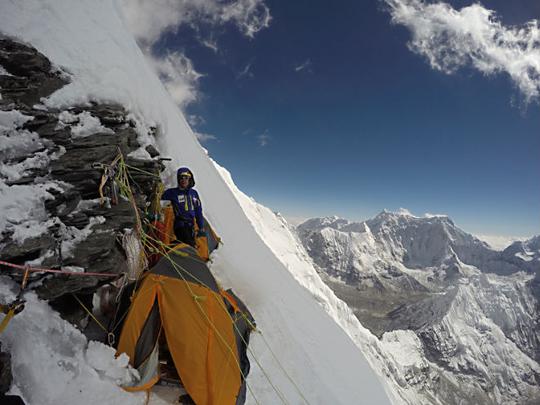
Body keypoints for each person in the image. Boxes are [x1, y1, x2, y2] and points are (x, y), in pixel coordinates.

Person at [161, 167, 205, 247]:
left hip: (191, 225)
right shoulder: (172, 192)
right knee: (189, 245)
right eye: (181, 177)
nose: (183, 180)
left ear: (190, 179)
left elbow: (198, 210)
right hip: (180, 225)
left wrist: (201, 227)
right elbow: (160, 198)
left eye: (186, 177)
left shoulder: (194, 193)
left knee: (192, 244)